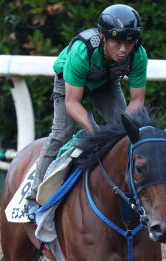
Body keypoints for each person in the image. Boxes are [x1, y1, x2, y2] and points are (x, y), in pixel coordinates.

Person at [26, 3, 148, 212]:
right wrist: (97, 133)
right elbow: (72, 103)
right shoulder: (82, 50)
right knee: (61, 133)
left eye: (129, 42)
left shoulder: (138, 55)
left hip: (106, 82)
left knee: (125, 133)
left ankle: (124, 189)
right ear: (103, 37)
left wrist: (122, 128)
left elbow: (137, 101)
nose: (123, 49)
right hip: (69, 84)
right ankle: (32, 196)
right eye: (117, 41)